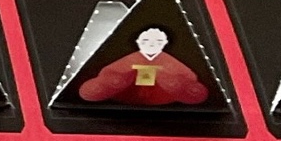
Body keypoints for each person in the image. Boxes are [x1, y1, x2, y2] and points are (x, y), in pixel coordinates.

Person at [78, 26, 209, 107]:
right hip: (129, 95)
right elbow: (110, 72)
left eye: (158, 42)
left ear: (165, 43)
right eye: (146, 41)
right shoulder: (132, 58)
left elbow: (187, 75)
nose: (151, 44)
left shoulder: (166, 59)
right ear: (138, 42)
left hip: (162, 96)